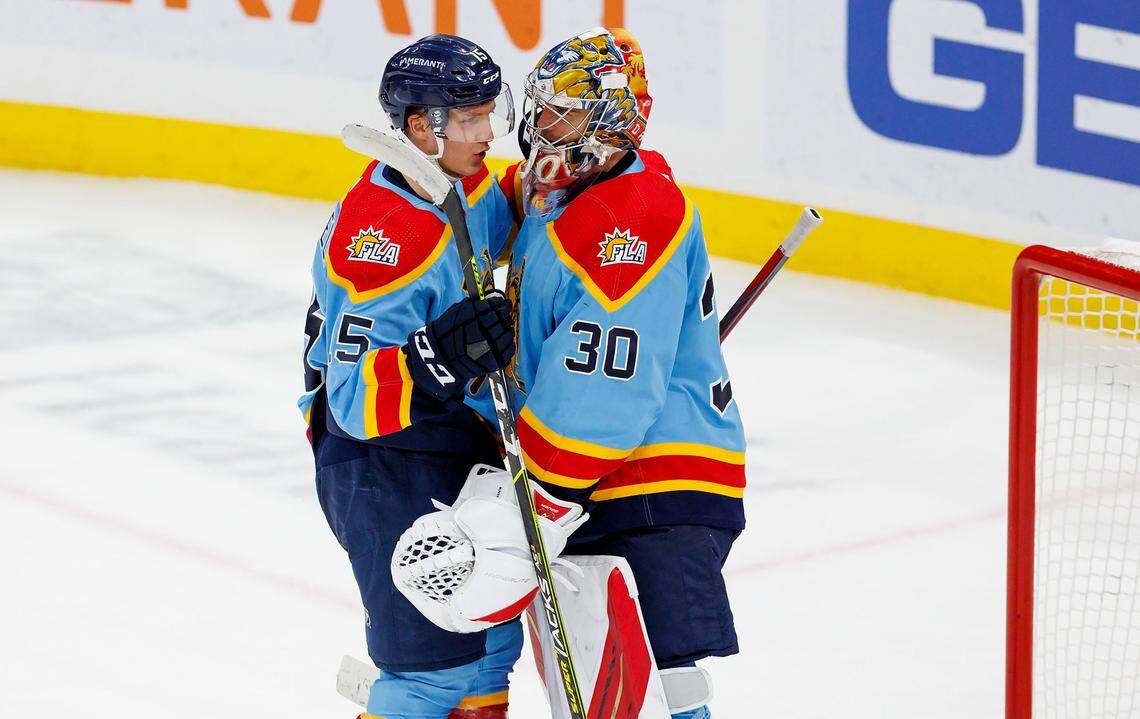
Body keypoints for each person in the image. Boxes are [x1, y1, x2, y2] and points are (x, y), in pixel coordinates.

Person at [498, 27, 748, 719]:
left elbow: (601, 399)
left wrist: (535, 489)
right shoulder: (568, 192)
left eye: (565, 114)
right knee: (601, 682)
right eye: (541, 110)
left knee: (656, 685)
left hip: (654, 483)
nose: (542, 127)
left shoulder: (631, 218)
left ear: (609, 123)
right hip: (605, 478)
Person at [298, 33, 521, 719]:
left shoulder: (451, 183)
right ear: (421, 128)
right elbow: (354, 399)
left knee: (487, 648)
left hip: (446, 444)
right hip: (378, 464)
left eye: (492, 113)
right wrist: (440, 353)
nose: (489, 134)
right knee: (430, 674)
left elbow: (501, 199)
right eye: (471, 120)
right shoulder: (385, 234)